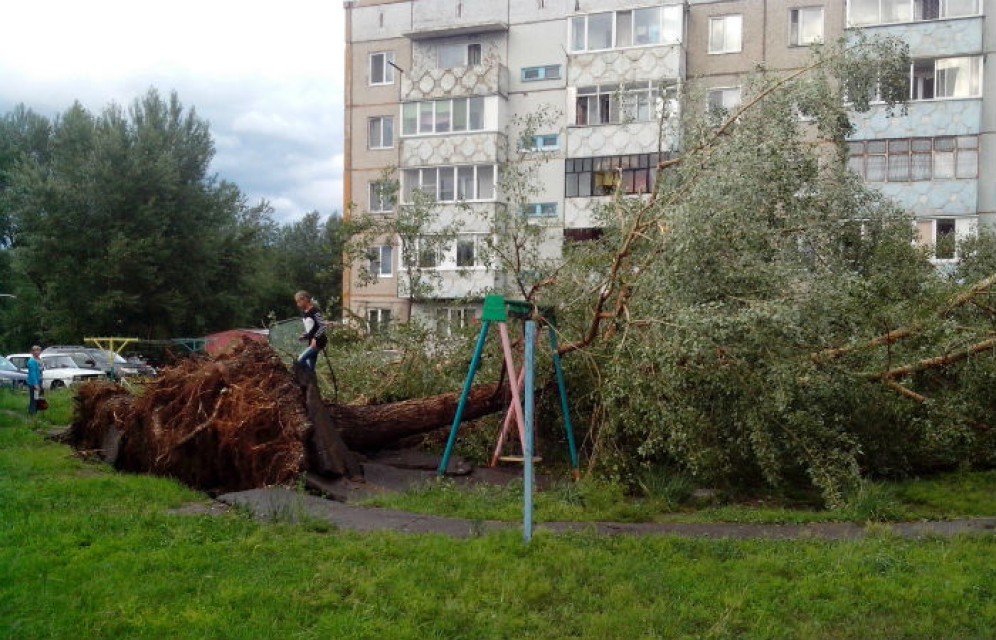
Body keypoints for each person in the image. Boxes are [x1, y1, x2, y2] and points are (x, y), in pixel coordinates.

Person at [294, 290, 328, 372]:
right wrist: (305, 335)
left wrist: (315, 338)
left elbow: (323, 325)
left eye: (299, 302)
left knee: (300, 359)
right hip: (311, 342)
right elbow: (311, 328)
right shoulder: (305, 312)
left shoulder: (315, 311)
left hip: (318, 341)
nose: (298, 305)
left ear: (304, 299)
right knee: (310, 367)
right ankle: (311, 382)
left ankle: (304, 379)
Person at [26, 345, 44, 415]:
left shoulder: (39, 359)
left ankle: (36, 412)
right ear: (33, 352)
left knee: (38, 398)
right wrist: (35, 384)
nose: (38, 352)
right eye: (36, 350)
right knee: (34, 399)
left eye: (39, 350)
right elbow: (33, 373)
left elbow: (40, 370)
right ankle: (32, 413)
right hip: (34, 383)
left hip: (39, 381)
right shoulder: (32, 361)